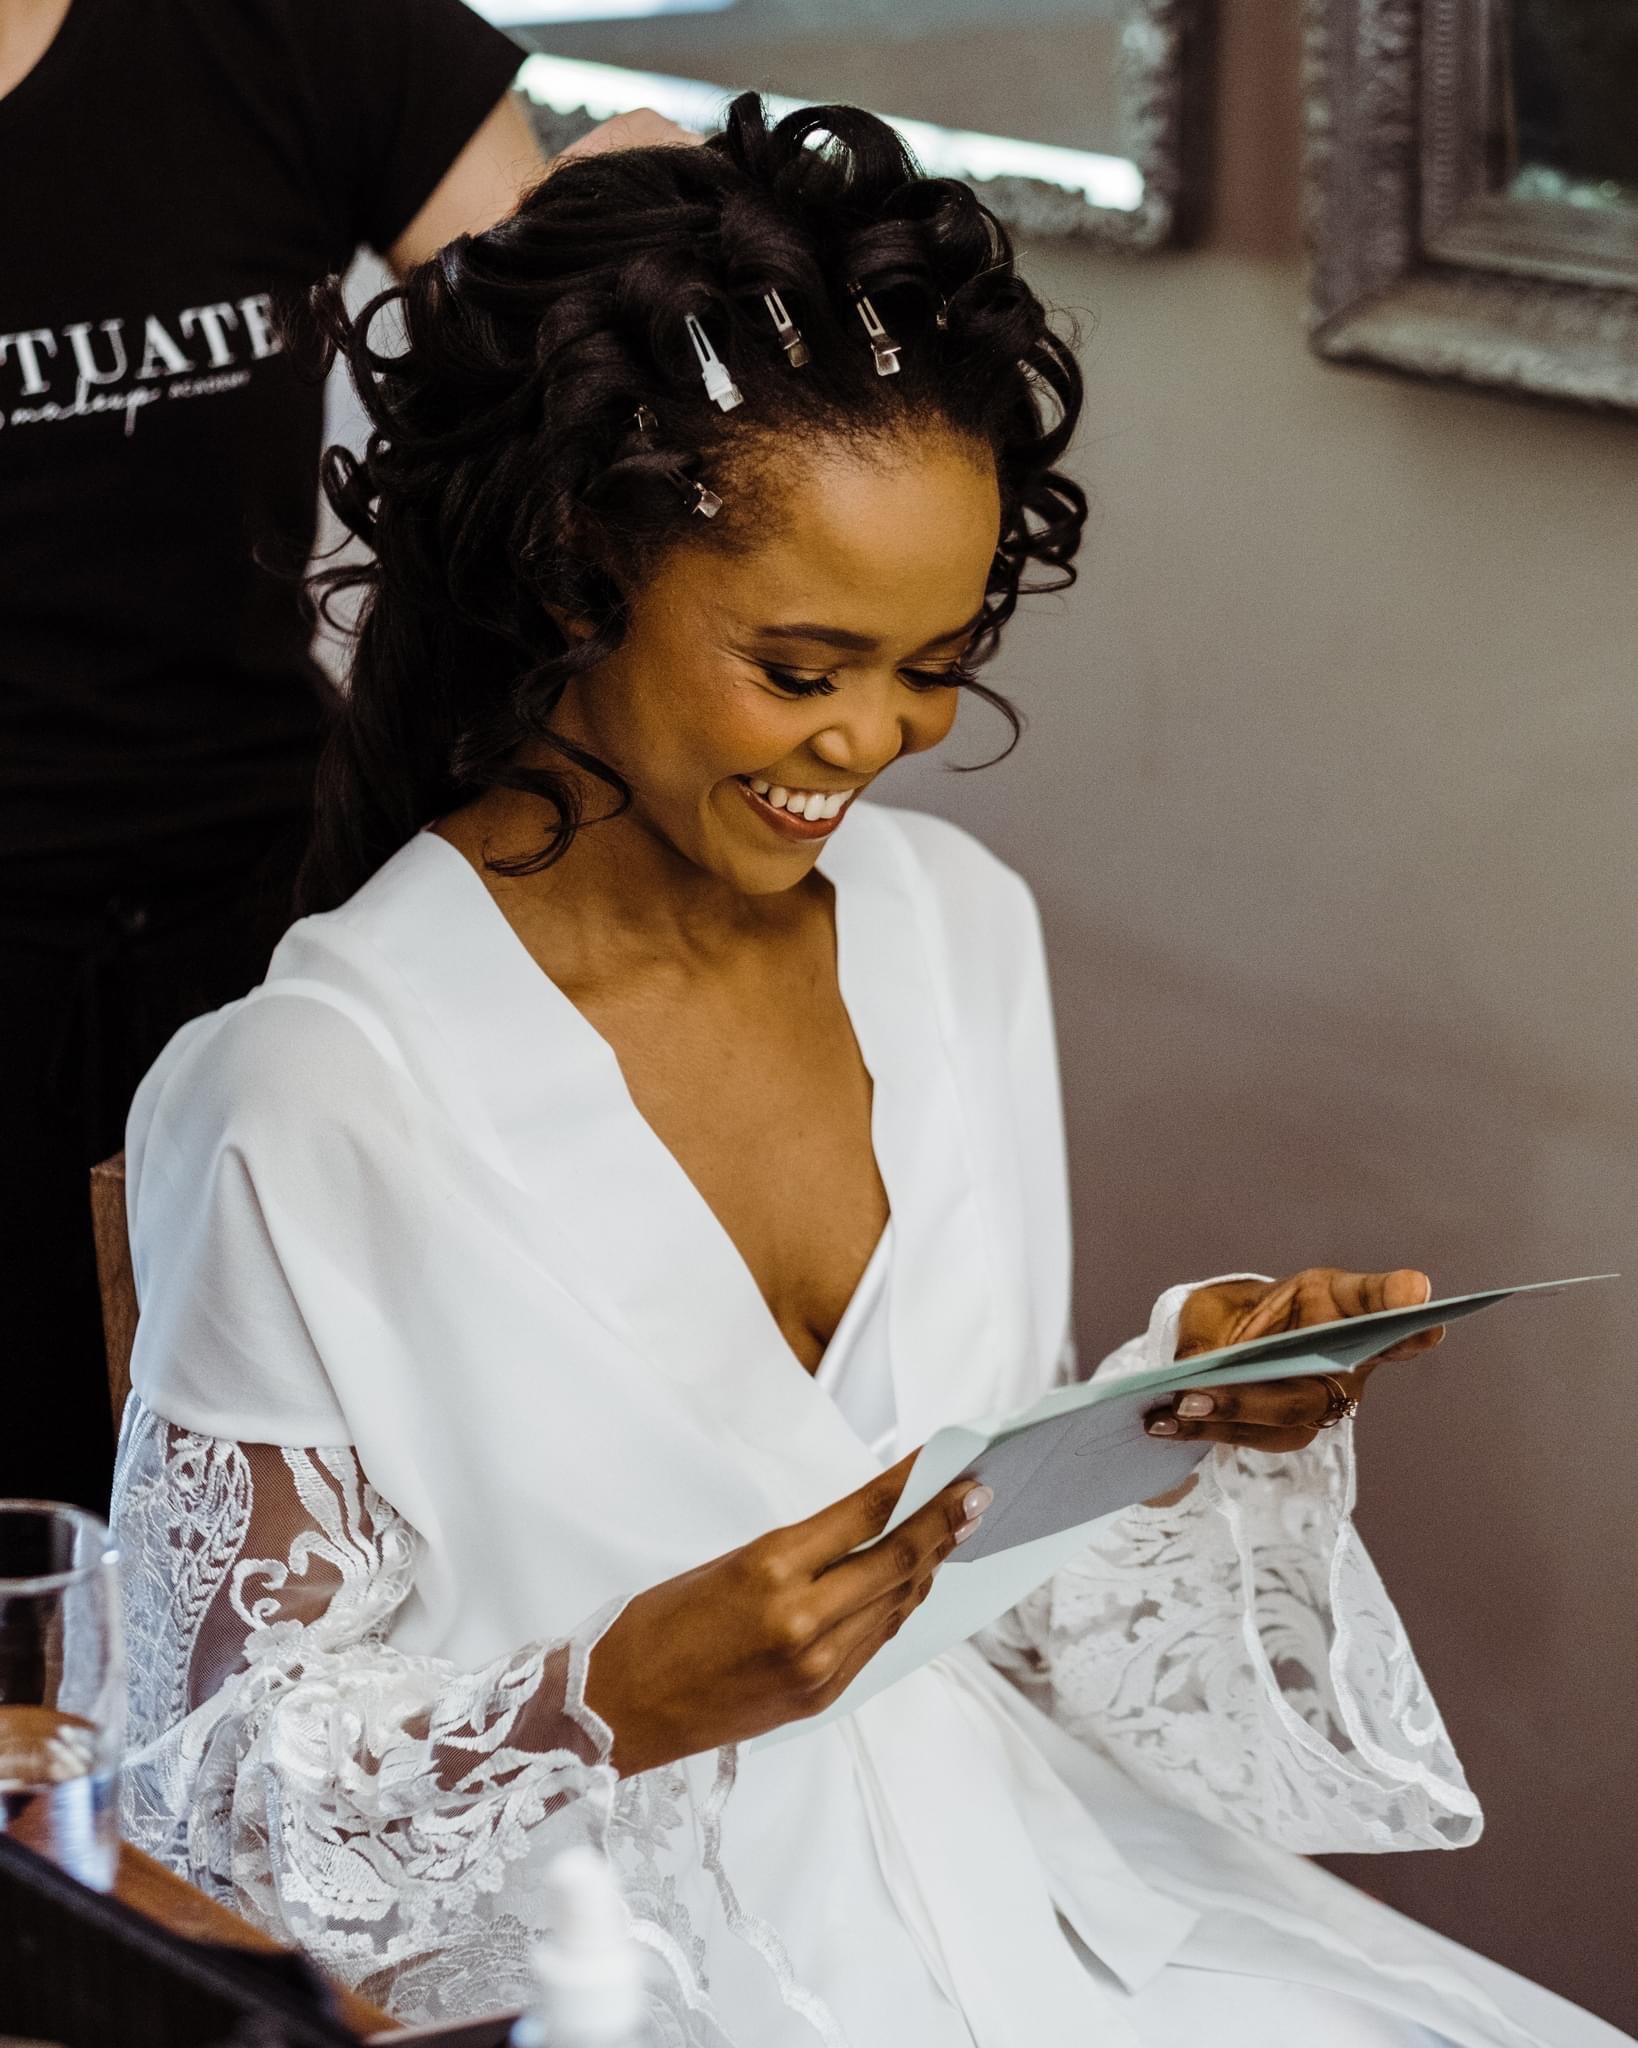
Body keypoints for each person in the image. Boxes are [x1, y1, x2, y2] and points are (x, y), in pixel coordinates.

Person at [108, 97, 1630, 2048]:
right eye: (801, 666)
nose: (872, 742)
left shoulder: (952, 934)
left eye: (933, 663)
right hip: (627, 1990)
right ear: (575, 569)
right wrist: (618, 1692)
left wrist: (1173, 1422)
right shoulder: (310, 1091)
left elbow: (975, 1585)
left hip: (1048, 1905)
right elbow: (220, 1810)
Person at [0, 0, 692, 1514]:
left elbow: (543, 362)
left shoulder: (289, 30)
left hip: (267, 903)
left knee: (323, 1514)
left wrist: (633, 248)